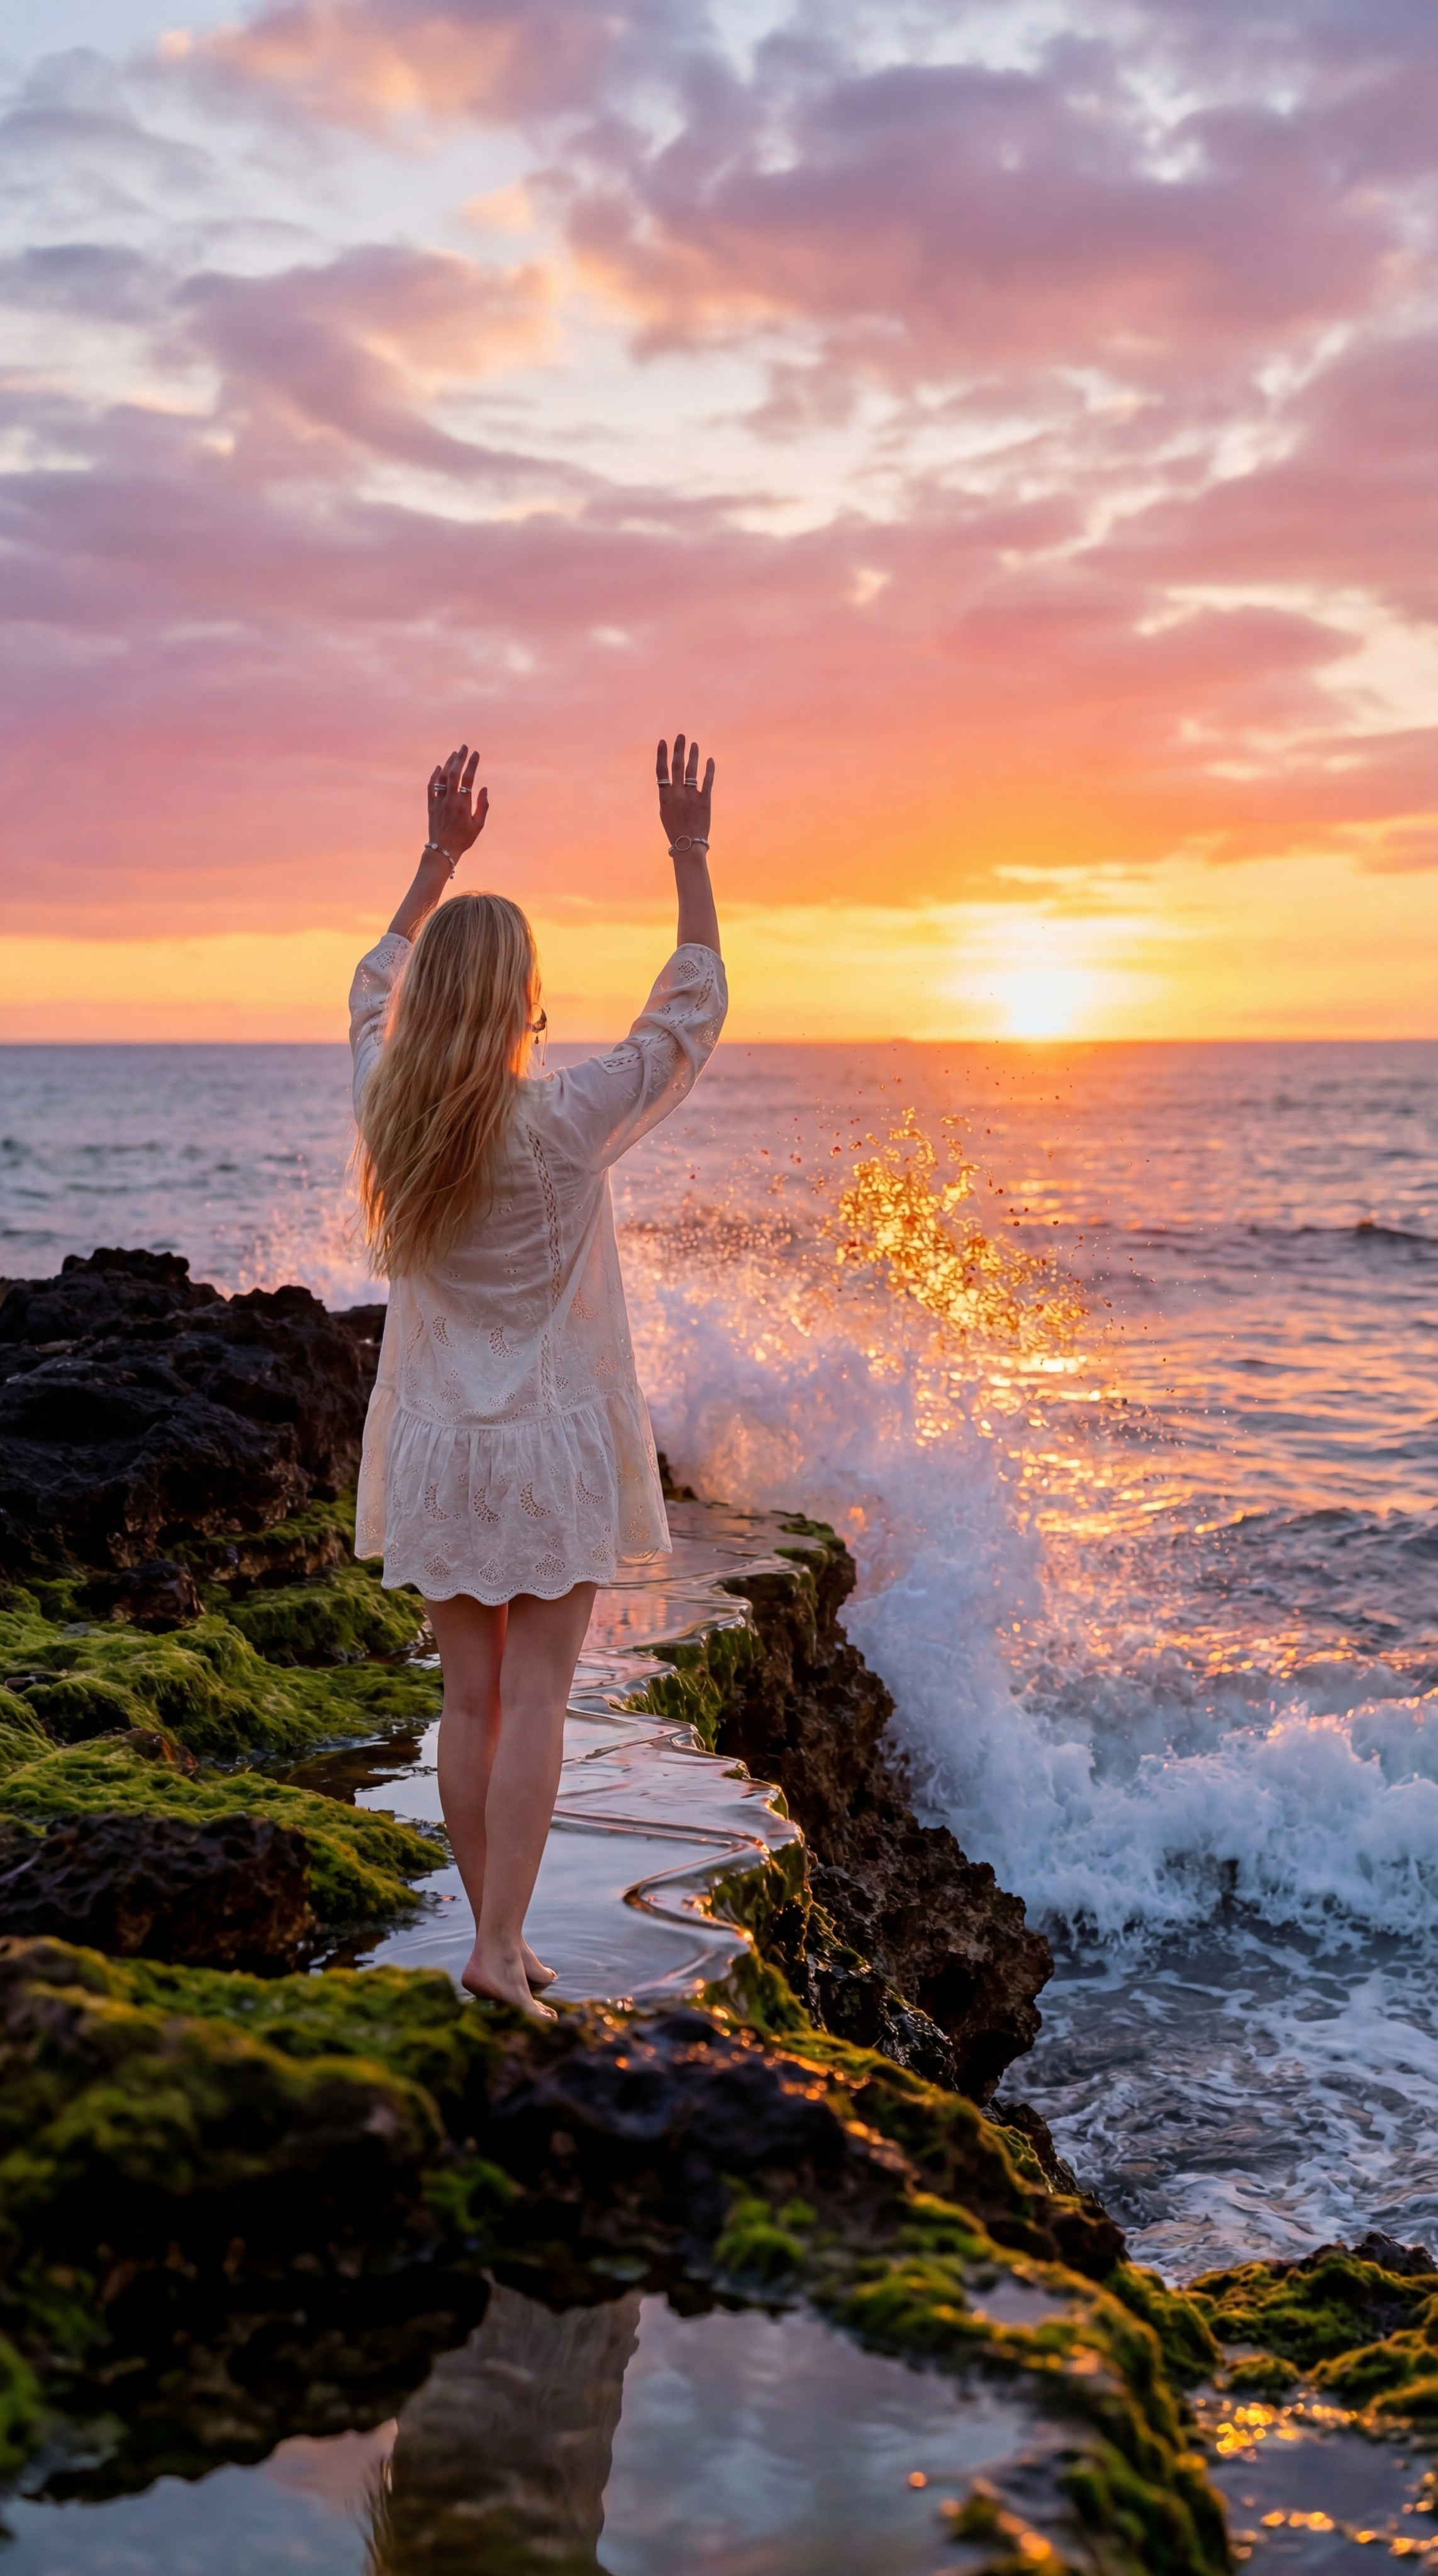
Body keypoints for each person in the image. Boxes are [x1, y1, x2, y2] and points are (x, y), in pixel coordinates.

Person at [348, 735, 725, 2023]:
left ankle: (494, 1939)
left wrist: (435, 861)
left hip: (441, 1449)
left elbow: (367, 988)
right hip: (548, 1447)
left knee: (470, 1702)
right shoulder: (565, 1120)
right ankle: (501, 1946)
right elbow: (688, 1015)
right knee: (537, 1699)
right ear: (522, 1002)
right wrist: (687, 848)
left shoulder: (392, 1113)